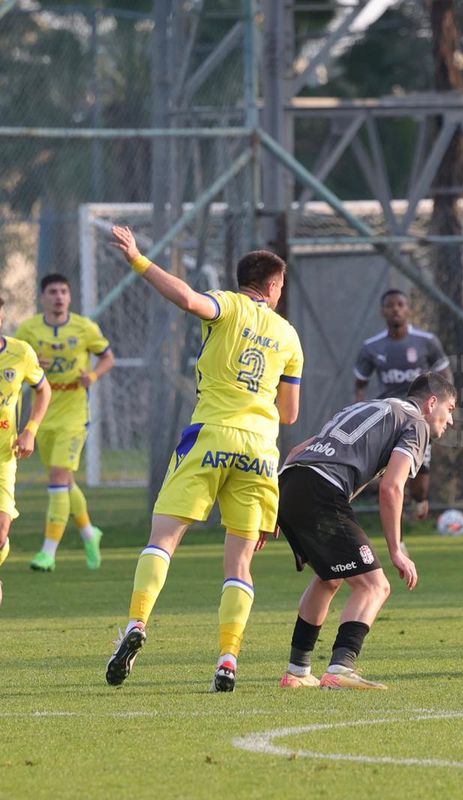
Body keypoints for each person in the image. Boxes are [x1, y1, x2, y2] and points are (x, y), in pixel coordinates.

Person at [105, 225, 304, 692]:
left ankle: (136, 624)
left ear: (245, 283)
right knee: (239, 563)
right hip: (259, 449)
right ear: (273, 286)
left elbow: (191, 300)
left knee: (164, 539)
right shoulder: (289, 335)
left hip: (210, 435)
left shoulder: (228, 305)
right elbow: (291, 413)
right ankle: (228, 659)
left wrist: (138, 258)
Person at [273, 372, 456, 690]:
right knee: (375, 586)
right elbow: (392, 488)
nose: (450, 420)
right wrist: (397, 549)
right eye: (450, 409)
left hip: (290, 483)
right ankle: (341, 668)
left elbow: (296, 453)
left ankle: (298, 672)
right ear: (431, 403)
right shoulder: (415, 423)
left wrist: (273, 508)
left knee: (330, 578)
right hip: (321, 490)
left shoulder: (369, 408)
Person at [16, 273, 115, 572]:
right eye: (52, 292)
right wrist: (34, 363)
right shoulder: (29, 330)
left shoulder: (84, 327)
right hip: (42, 413)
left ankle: (48, 552)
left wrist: (93, 376)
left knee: (58, 479)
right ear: (42, 297)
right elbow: (15, 361)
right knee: (65, 482)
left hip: (73, 413)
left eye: (63, 291)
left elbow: (107, 356)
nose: (59, 296)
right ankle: (89, 533)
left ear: (70, 297)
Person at [353, 289, 451, 519]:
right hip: (389, 417)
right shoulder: (371, 347)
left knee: (419, 483)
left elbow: (445, 377)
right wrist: (361, 410)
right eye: (390, 305)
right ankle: (399, 539)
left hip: (420, 419)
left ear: (408, 309)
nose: (395, 309)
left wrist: (443, 409)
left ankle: (419, 499)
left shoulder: (427, 342)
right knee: (392, 479)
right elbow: (360, 384)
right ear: (382, 311)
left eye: (400, 304)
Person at [0, 296, 53, 606]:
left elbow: (43, 388)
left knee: (2, 530)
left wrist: (30, 429)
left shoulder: (20, 353)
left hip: (4, 456)